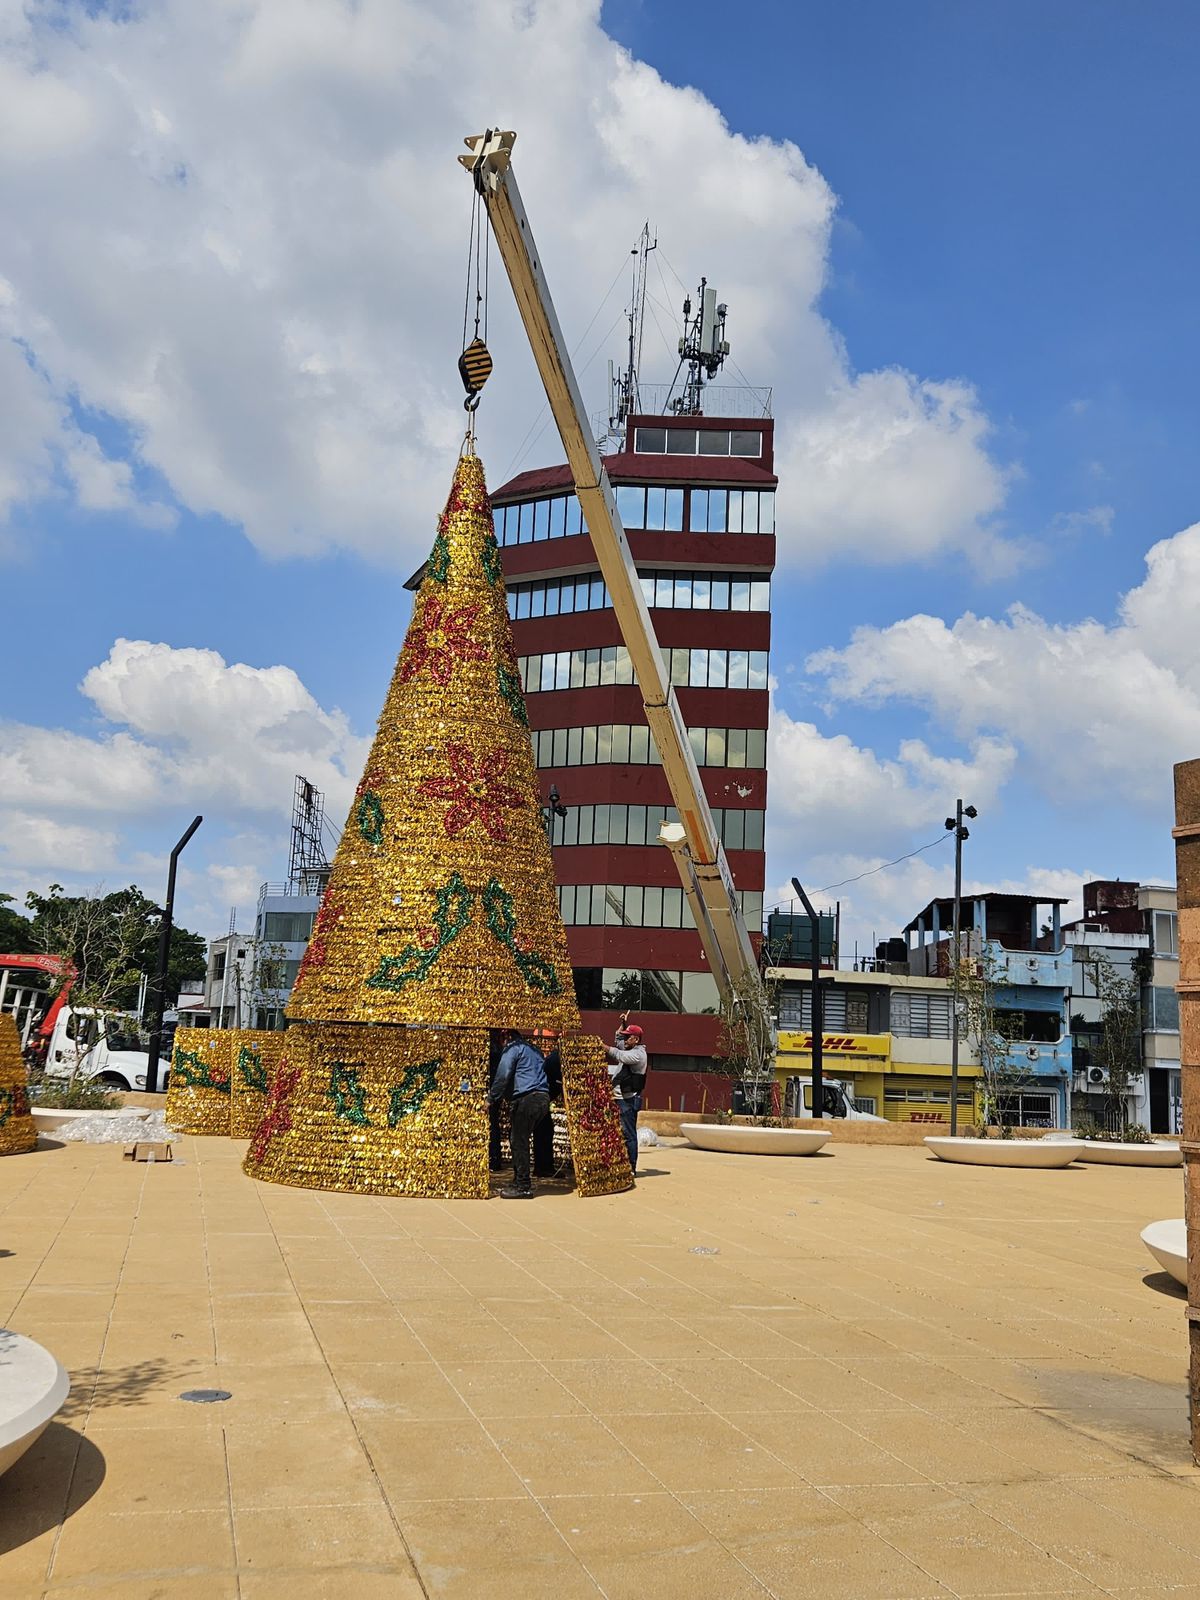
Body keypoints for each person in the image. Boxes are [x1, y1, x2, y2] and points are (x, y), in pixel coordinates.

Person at [488, 1028, 550, 1198]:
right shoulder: (535, 1050)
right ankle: (519, 1179)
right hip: (542, 1098)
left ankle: (523, 1185)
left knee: (518, 1140)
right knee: (519, 1138)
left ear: (506, 1037)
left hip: (528, 1098)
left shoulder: (513, 1048)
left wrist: (491, 1098)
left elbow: (503, 1075)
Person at [605, 1015, 648, 1174]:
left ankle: (631, 1167)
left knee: (628, 1134)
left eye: (628, 1038)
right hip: (620, 1098)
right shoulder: (630, 1047)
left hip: (628, 1100)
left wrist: (603, 1047)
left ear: (635, 1039)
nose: (624, 1040)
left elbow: (619, 1054)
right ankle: (622, 1164)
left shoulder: (638, 1054)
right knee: (619, 1132)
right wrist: (623, 1023)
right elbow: (618, 1038)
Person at [531, 1029, 561, 1179]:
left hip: (540, 1099)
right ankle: (543, 1167)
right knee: (543, 1132)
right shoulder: (550, 1059)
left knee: (544, 1132)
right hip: (539, 1099)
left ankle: (543, 1166)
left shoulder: (543, 1057)